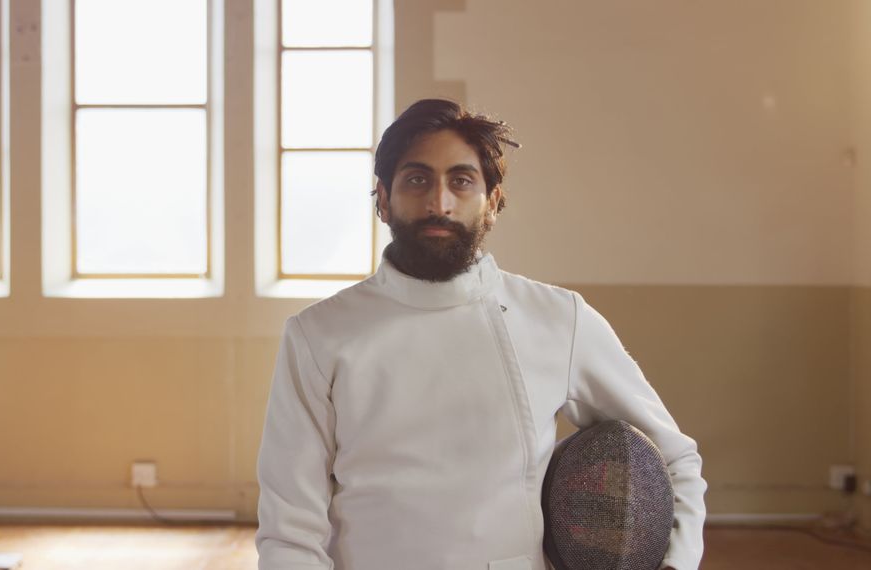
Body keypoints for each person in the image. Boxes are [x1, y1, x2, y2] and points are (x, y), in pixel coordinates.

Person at [255, 98, 706, 570]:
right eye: (416, 179)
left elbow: (674, 461)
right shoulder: (318, 335)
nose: (439, 202)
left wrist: (675, 565)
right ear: (383, 200)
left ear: (491, 202)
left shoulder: (559, 318)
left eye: (461, 180)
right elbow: (291, 530)